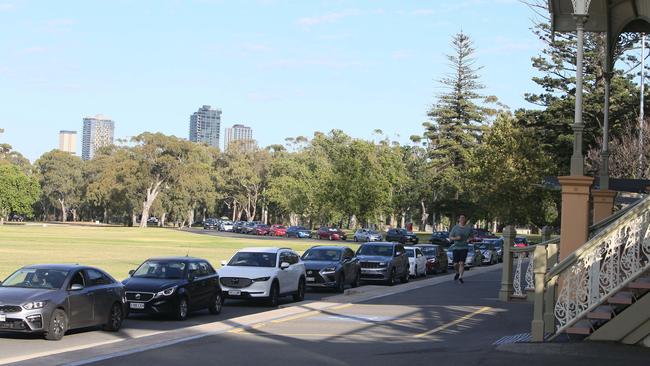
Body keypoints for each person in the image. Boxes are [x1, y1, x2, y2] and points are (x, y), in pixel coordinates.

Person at [449, 215, 472, 284]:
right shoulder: (455, 228)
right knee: (455, 264)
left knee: (462, 263)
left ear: (465, 220)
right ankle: (457, 272)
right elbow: (450, 237)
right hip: (456, 247)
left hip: (464, 248)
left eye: (463, 218)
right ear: (459, 220)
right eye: (461, 218)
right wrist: (456, 238)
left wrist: (469, 239)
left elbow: (472, 236)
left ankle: (460, 277)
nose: (462, 220)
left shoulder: (468, 228)